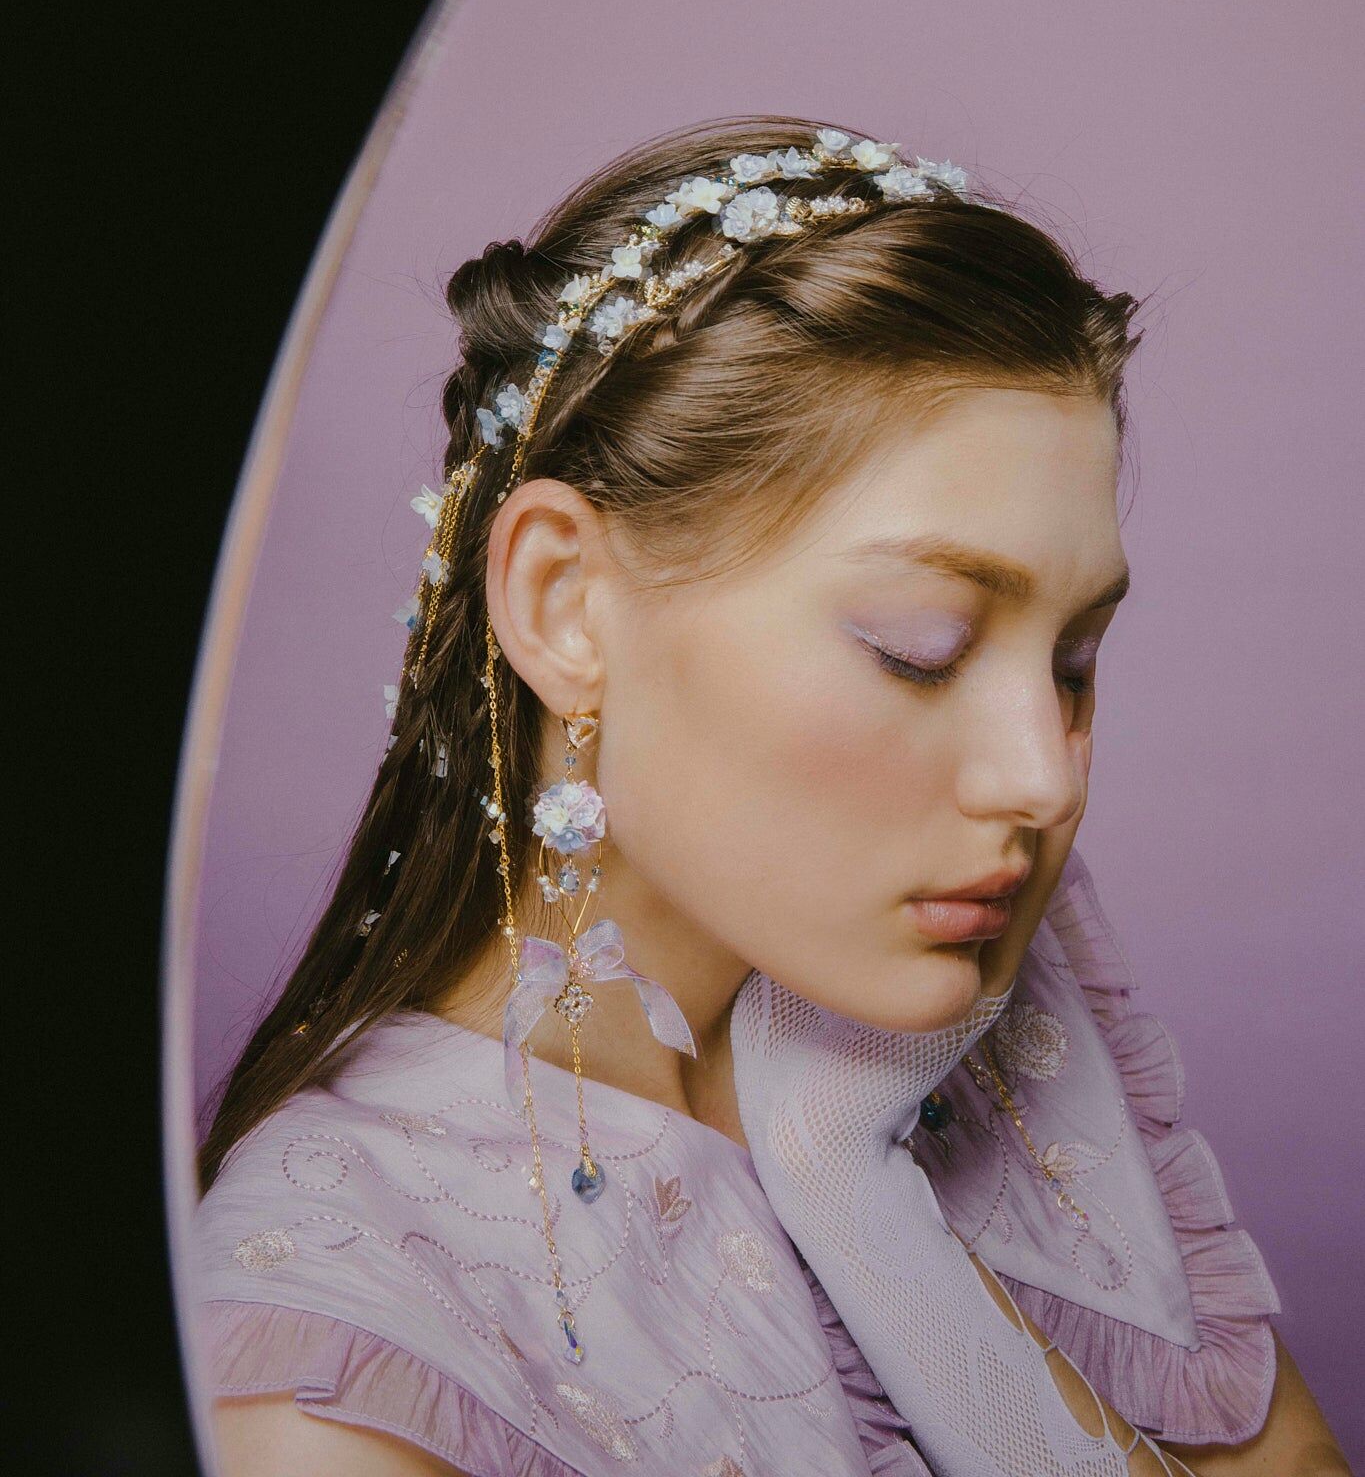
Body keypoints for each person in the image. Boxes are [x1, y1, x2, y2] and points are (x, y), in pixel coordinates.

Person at [188, 119, 1347, 1475]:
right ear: (564, 606)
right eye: (920, 645)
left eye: (1074, 659)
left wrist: (868, 1220)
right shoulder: (332, 1358)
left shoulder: (942, 962)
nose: (1039, 778)